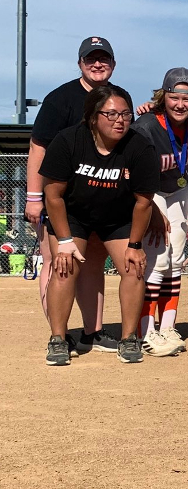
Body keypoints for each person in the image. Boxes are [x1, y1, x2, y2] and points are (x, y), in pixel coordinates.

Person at [27, 36, 134, 355]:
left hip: (102, 199)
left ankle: (92, 332)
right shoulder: (60, 99)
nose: (97, 64)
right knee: (56, 260)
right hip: (61, 199)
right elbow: (38, 147)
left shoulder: (120, 97)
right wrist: (33, 196)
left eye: (103, 59)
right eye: (91, 59)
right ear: (80, 64)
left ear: (113, 64)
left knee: (93, 262)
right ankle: (58, 336)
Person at [40, 85, 158, 365]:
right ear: (93, 117)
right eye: (111, 114)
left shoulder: (140, 147)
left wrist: (135, 245)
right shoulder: (68, 141)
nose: (120, 121)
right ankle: (58, 339)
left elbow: (143, 203)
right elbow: (53, 196)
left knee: (134, 267)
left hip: (118, 217)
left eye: (126, 114)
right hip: (73, 216)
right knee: (65, 265)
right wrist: (65, 242)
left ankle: (128, 339)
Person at [131, 68, 188, 356]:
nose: (180, 104)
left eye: (187, 99)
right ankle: (146, 330)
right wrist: (150, 207)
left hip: (178, 189)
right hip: (149, 193)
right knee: (157, 259)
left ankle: (167, 326)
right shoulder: (147, 125)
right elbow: (133, 172)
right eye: (174, 97)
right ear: (163, 97)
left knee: (175, 260)